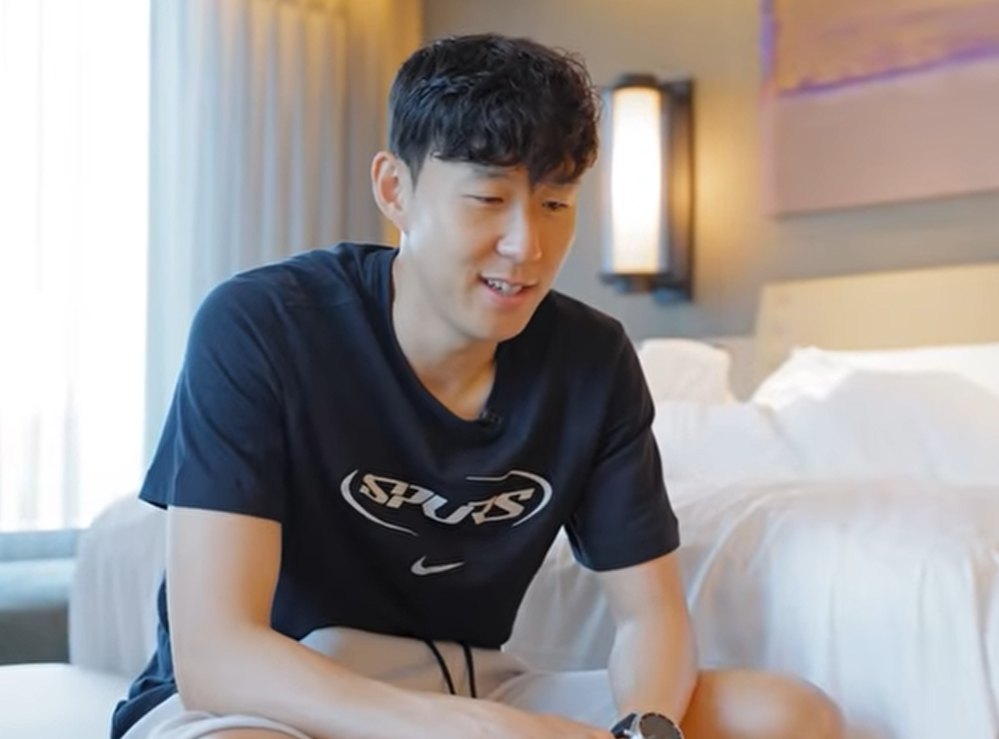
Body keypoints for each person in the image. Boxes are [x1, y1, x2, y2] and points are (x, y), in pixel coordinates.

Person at [111, 33, 844, 739]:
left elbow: (649, 615)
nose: (527, 246)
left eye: (554, 203)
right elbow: (217, 655)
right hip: (268, 695)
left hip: (459, 684)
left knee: (786, 715)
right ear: (395, 190)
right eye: (488, 199)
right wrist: (470, 729)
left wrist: (644, 728)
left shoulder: (592, 360)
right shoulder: (264, 323)